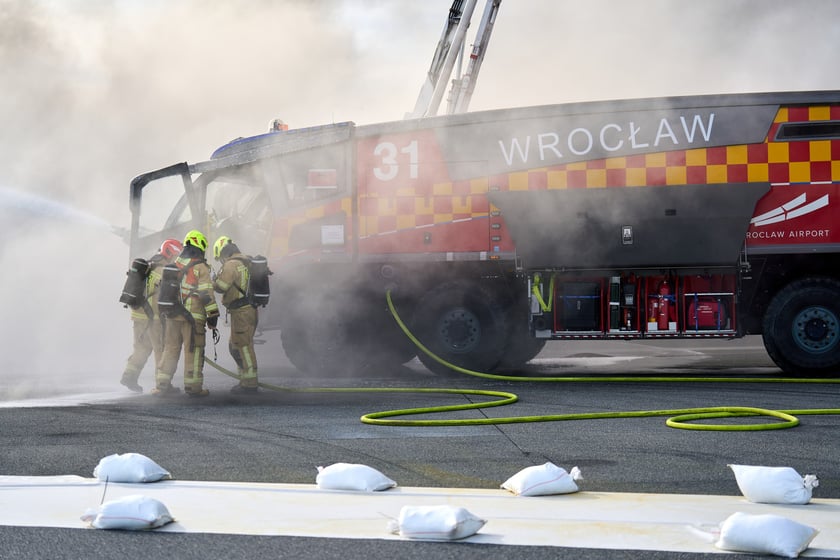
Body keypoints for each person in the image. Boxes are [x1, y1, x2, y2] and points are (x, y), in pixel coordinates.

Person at [154, 230, 220, 397]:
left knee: (170, 349)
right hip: (193, 318)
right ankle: (193, 387)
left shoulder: (175, 264)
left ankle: (162, 384)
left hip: (173, 315)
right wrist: (213, 316)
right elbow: (206, 294)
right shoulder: (200, 267)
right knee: (194, 350)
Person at [120, 238, 182, 393]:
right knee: (161, 350)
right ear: (170, 253)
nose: (177, 260)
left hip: (138, 315)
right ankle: (163, 385)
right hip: (153, 319)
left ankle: (129, 376)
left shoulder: (149, 265)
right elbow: (164, 296)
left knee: (141, 348)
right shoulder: (162, 271)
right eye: (176, 256)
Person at [212, 236, 260, 393]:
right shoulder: (246, 261)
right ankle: (245, 379)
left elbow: (221, 286)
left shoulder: (231, 264)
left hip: (242, 312)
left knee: (243, 347)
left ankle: (250, 383)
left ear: (223, 252)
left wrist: (212, 281)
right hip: (248, 310)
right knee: (235, 346)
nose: (221, 261)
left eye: (220, 257)